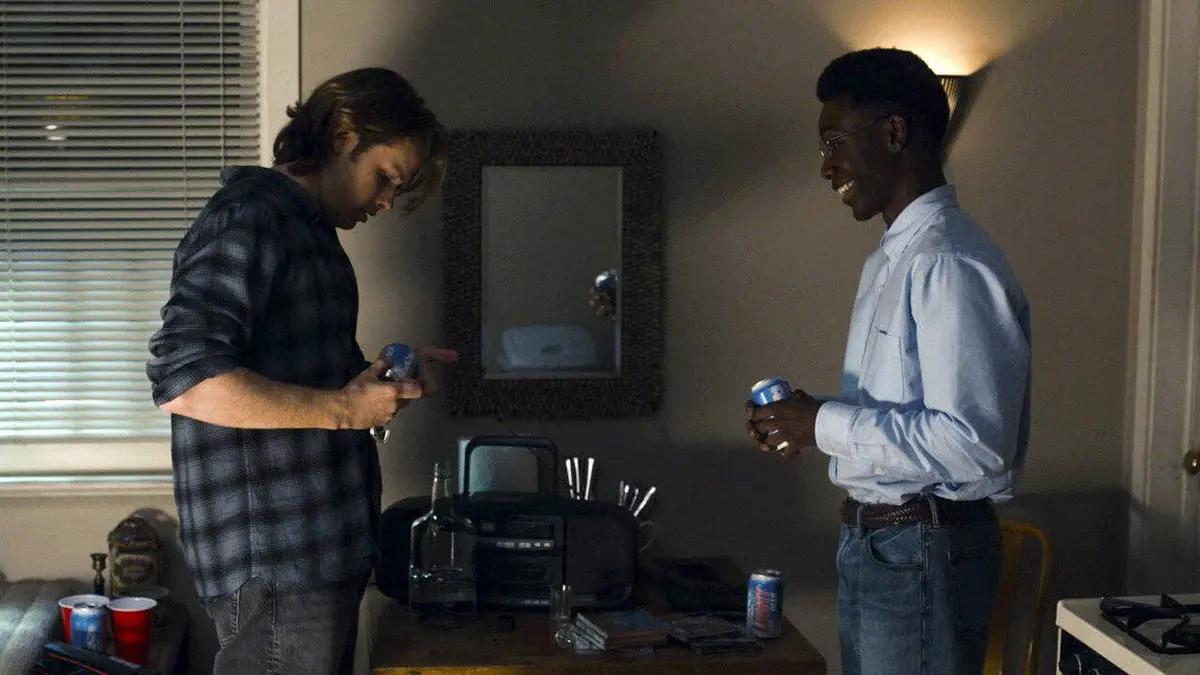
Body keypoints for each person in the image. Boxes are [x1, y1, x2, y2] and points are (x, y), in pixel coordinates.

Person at [146, 67, 459, 675]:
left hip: (315, 556)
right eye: (385, 177)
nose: (385, 203)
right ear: (344, 135)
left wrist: (378, 383)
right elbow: (186, 378)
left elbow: (303, 382)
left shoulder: (307, 231)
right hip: (279, 563)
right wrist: (346, 409)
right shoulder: (251, 217)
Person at [746, 48, 1031, 675]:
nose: (826, 167)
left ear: (895, 132)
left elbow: (976, 444)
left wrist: (823, 424)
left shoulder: (946, 262)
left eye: (835, 144)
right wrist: (807, 419)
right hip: (881, 544)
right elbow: (909, 413)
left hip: (923, 546)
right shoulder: (892, 259)